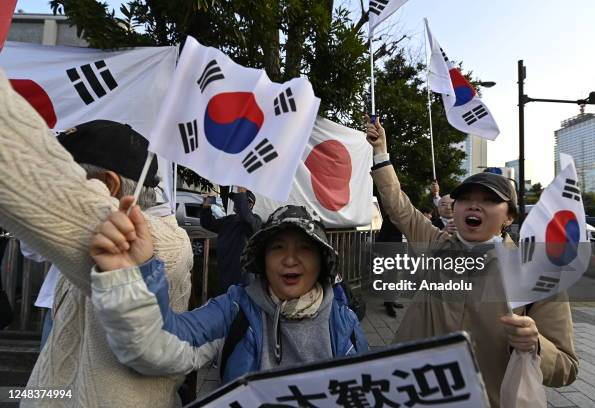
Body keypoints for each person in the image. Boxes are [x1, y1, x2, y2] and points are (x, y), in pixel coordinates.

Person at [0, 74, 193, 407]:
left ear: (109, 184)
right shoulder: (103, 240)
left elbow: (18, 172)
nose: (55, 189)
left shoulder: (158, 244)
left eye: (67, 177)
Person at [365, 116, 578, 407]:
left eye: (489, 200)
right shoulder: (437, 244)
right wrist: (381, 153)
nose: (474, 205)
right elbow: (399, 207)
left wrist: (537, 345)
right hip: (414, 395)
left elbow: (567, 368)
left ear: (509, 217)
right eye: (465, 198)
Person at [90, 201, 368, 389]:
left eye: (305, 248)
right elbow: (157, 345)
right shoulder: (235, 310)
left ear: (321, 261)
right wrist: (133, 274)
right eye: (278, 247)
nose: (290, 259)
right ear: (261, 260)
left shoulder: (343, 320)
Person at [200, 187, 262, 293]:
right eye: (235, 200)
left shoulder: (255, 221)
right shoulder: (228, 220)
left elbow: (246, 217)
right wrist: (207, 203)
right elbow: (207, 223)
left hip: (243, 278)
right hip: (224, 274)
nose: (235, 203)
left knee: (242, 306)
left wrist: (242, 193)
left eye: (238, 200)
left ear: (250, 205)